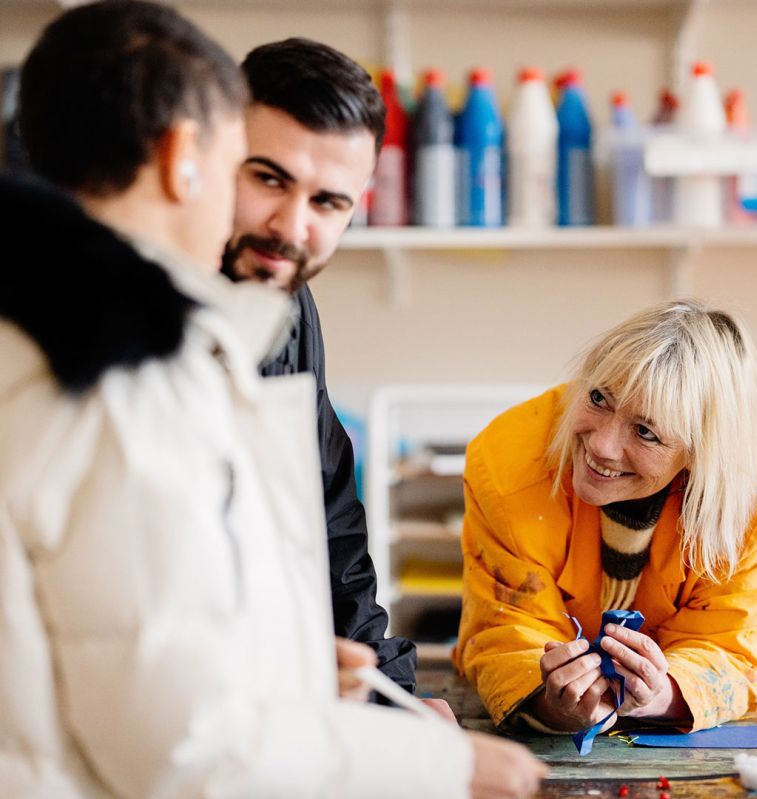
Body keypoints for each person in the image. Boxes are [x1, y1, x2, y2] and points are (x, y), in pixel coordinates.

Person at [0, 2, 547, 797]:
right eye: (253, 172)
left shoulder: (90, 317)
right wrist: (439, 765)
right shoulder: (126, 369)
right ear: (190, 157)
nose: (289, 224)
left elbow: (123, 615)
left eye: (330, 202)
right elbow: (178, 746)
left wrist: (279, 661)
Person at [454, 299, 757, 736]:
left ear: (700, 454)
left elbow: (738, 638)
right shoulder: (507, 457)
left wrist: (665, 694)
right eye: (599, 398)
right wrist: (552, 700)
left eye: (645, 432)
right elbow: (507, 625)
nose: (601, 445)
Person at [220, 38, 417, 694]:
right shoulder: (117, 307)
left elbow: (325, 511)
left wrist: (392, 695)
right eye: (269, 179)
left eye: (327, 202)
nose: (290, 226)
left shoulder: (286, 304)